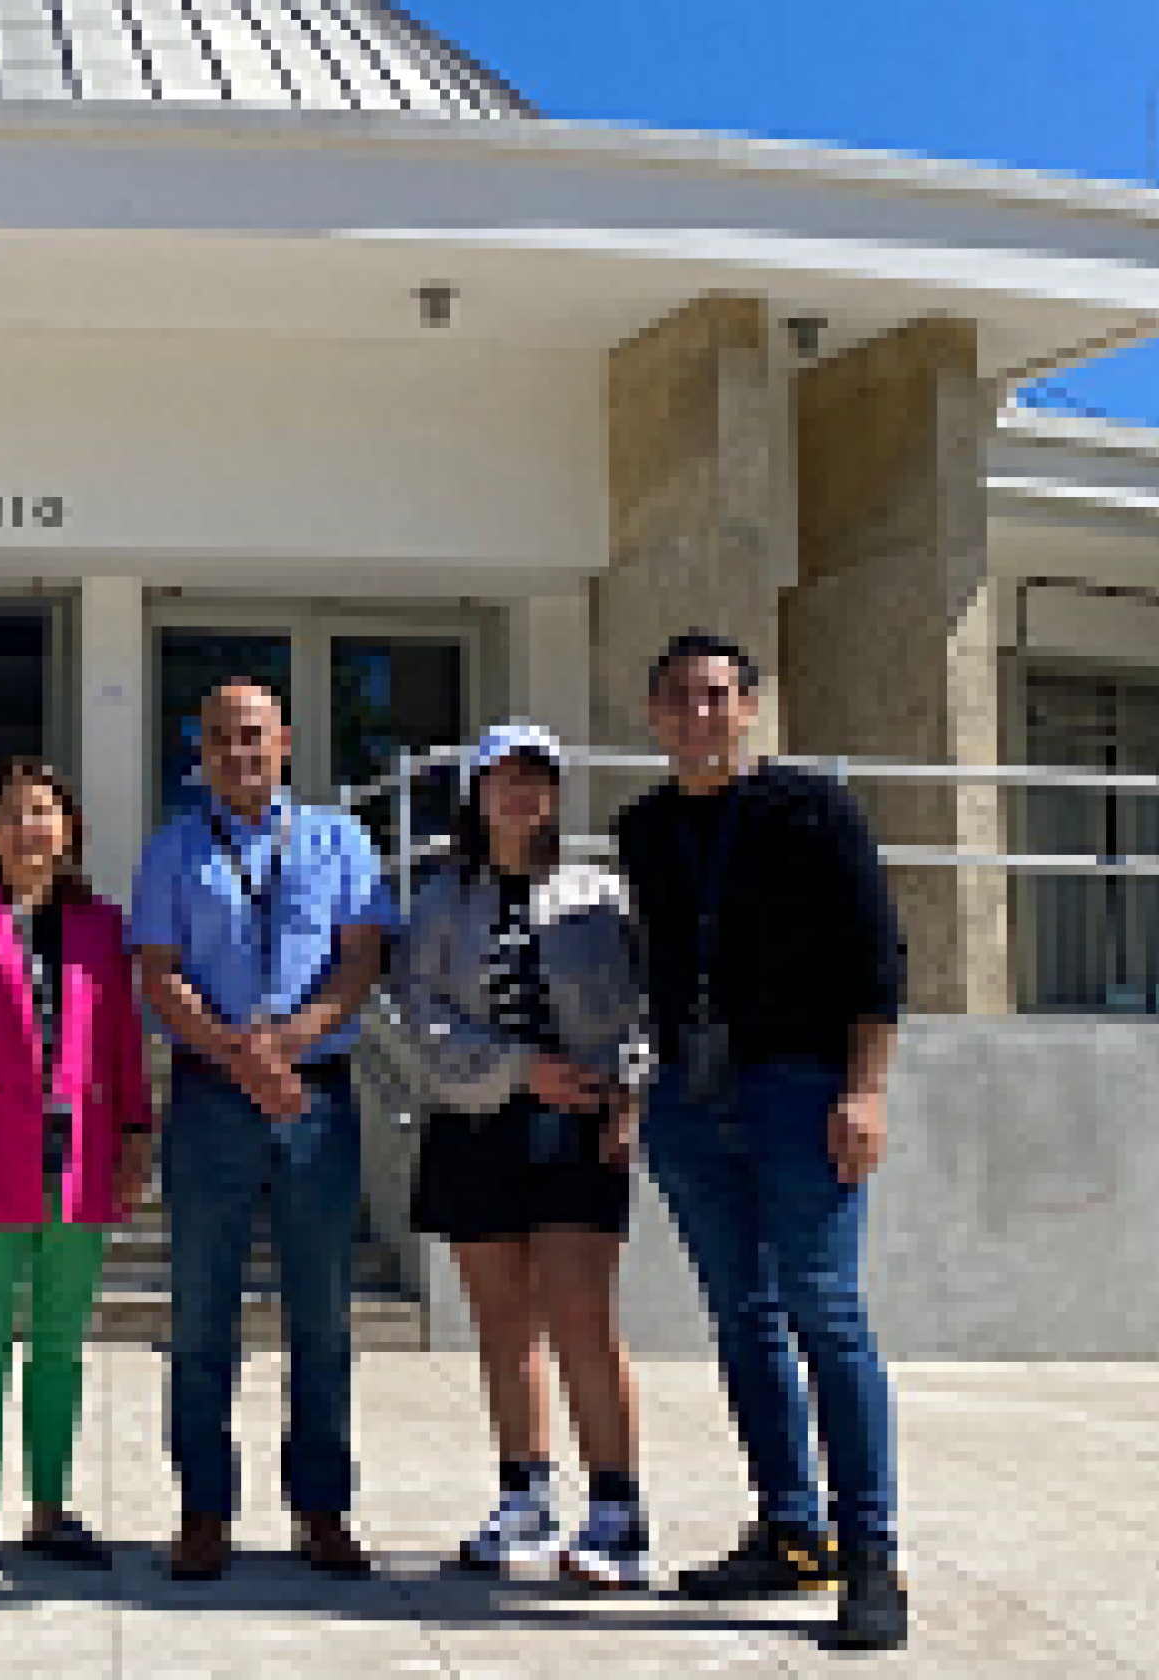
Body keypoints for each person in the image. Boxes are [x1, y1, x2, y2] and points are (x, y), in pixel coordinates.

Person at [616, 630, 909, 1651]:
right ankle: (790, 1529)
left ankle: (870, 1555)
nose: (696, 714)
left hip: (803, 1091)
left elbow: (878, 955)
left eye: (715, 696)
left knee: (826, 1311)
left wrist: (865, 1090)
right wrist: (638, 1096)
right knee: (742, 1319)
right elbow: (650, 974)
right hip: (689, 1102)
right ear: (652, 714)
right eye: (676, 697)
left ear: (748, 707)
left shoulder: (813, 808)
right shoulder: (642, 829)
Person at [132, 681, 396, 1581]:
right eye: (218, 738)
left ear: (284, 741)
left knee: (321, 1316)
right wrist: (237, 1054)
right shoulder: (173, 847)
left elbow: (361, 958)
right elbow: (158, 971)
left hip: (314, 1098)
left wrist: (288, 1044)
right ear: (199, 751)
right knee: (201, 1316)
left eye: (252, 736)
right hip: (211, 1099)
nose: (237, 752)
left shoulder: (339, 839)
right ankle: (203, 1508)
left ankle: (321, 1508)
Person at [385, 722, 656, 1588]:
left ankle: (617, 1512)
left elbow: (643, 1007)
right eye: (504, 777)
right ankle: (524, 1498)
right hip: (476, 1125)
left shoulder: (599, 895)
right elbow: (418, 1013)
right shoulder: (439, 901)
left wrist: (628, 1093)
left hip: (579, 1126)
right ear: (476, 793)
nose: (520, 792)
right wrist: (512, 1068)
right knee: (503, 1323)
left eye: (537, 777)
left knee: (583, 1314)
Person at [0, 758, 154, 1584]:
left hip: (78, 1155)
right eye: (12, 813)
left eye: (43, 811)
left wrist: (135, 1133)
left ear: (69, 827)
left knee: (60, 1342)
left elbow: (121, 1040)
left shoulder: (101, 925)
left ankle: (49, 1508)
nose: (28, 828)